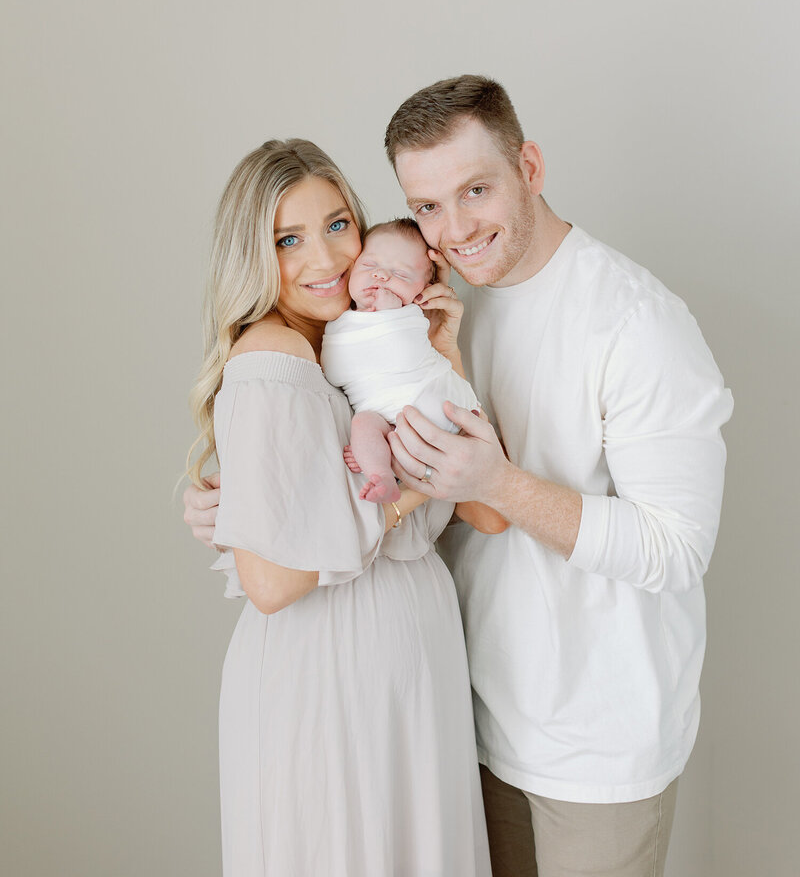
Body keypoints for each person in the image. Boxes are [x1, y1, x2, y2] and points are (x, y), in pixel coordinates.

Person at [381, 76, 734, 877]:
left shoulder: (637, 323)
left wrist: (499, 484)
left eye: (476, 190)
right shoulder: (438, 309)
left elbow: (676, 547)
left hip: (601, 753)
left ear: (530, 167)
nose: (456, 228)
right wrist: (244, 500)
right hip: (473, 720)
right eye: (428, 207)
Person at [185, 137, 491, 877]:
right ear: (254, 257)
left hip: (401, 659)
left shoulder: (342, 354)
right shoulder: (273, 357)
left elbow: (489, 510)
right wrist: (410, 491)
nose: (324, 260)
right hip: (333, 672)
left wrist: (442, 358)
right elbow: (273, 583)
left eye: (337, 225)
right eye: (288, 240)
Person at [321, 217, 481, 504]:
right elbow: (335, 372)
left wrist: (390, 316)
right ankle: (381, 474)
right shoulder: (339, 321)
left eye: (401, 275)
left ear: (422, 291)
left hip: (433, 398)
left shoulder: (410, 318)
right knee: (364, 425)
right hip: (388, 420)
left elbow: (400, 354)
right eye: (369, 266)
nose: (381, 277)